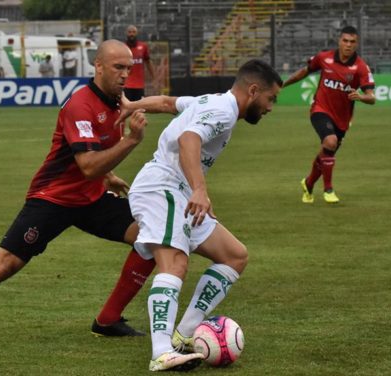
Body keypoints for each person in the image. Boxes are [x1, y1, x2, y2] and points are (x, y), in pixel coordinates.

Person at [0, 40, 158, 344]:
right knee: (3, 265)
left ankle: (107, 320)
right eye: (118, 67)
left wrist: (109, 176)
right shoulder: (79, 105)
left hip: (91, 197)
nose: (124, 75)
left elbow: (94, 155)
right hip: (52, 198)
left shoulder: (119, 102)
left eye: (128, 68)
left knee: (153, 235)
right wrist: (131, 142)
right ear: (99, 66)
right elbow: (88, 164)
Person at [121, 59, 282, 371]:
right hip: (162, 187)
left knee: (234, 256)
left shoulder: (210, 101)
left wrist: (131, 105)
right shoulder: (222, 110)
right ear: (253, 90)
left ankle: (184, 335)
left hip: (179, 191)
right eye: (270, 98)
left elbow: (168, 103)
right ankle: (161, 352)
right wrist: (200, 189)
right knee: (175, 263)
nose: (271, 107)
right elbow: (188, 139)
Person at [283, 26, 375, 204]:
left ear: (357, 44)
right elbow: (304, 71)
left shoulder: (361, 67)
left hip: (342, 119)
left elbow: (372, 98)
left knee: (327, 151)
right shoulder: (323, 58)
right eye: (345, 41)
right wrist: (283, 84)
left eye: (352, 42)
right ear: (339, 41)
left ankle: (308, 184)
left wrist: (362, 97)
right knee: (330, 142)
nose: (348, 45)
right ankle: (328, 189)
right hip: (320, 109)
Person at [124, 25, 155, 101]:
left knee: (139, 109)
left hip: (139, 86)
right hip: (125, 85)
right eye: (130, 32)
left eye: (133, 32)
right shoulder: (122, 47)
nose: (131, 34)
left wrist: (153, 78)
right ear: (126, 33)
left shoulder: (143, 46)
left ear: (137, 33)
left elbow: (148, 62)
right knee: (126, 109)